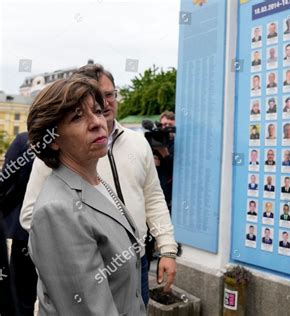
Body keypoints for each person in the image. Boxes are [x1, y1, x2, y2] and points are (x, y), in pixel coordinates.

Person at [20, 64, 178, 307]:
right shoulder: (59, 174)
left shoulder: (134, 146)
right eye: (78, 115)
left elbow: (153, 199)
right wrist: (86, 250)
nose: (102, 111)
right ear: (54, 139)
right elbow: (36, 216)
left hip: (137, 261)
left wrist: (166, 247)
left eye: (107, 97)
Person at [0, 132, 37, 315]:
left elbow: (5, 181)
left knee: (23, 296)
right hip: (66, 231)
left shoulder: (25, 140)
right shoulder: (73, 138)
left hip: (25, 230)